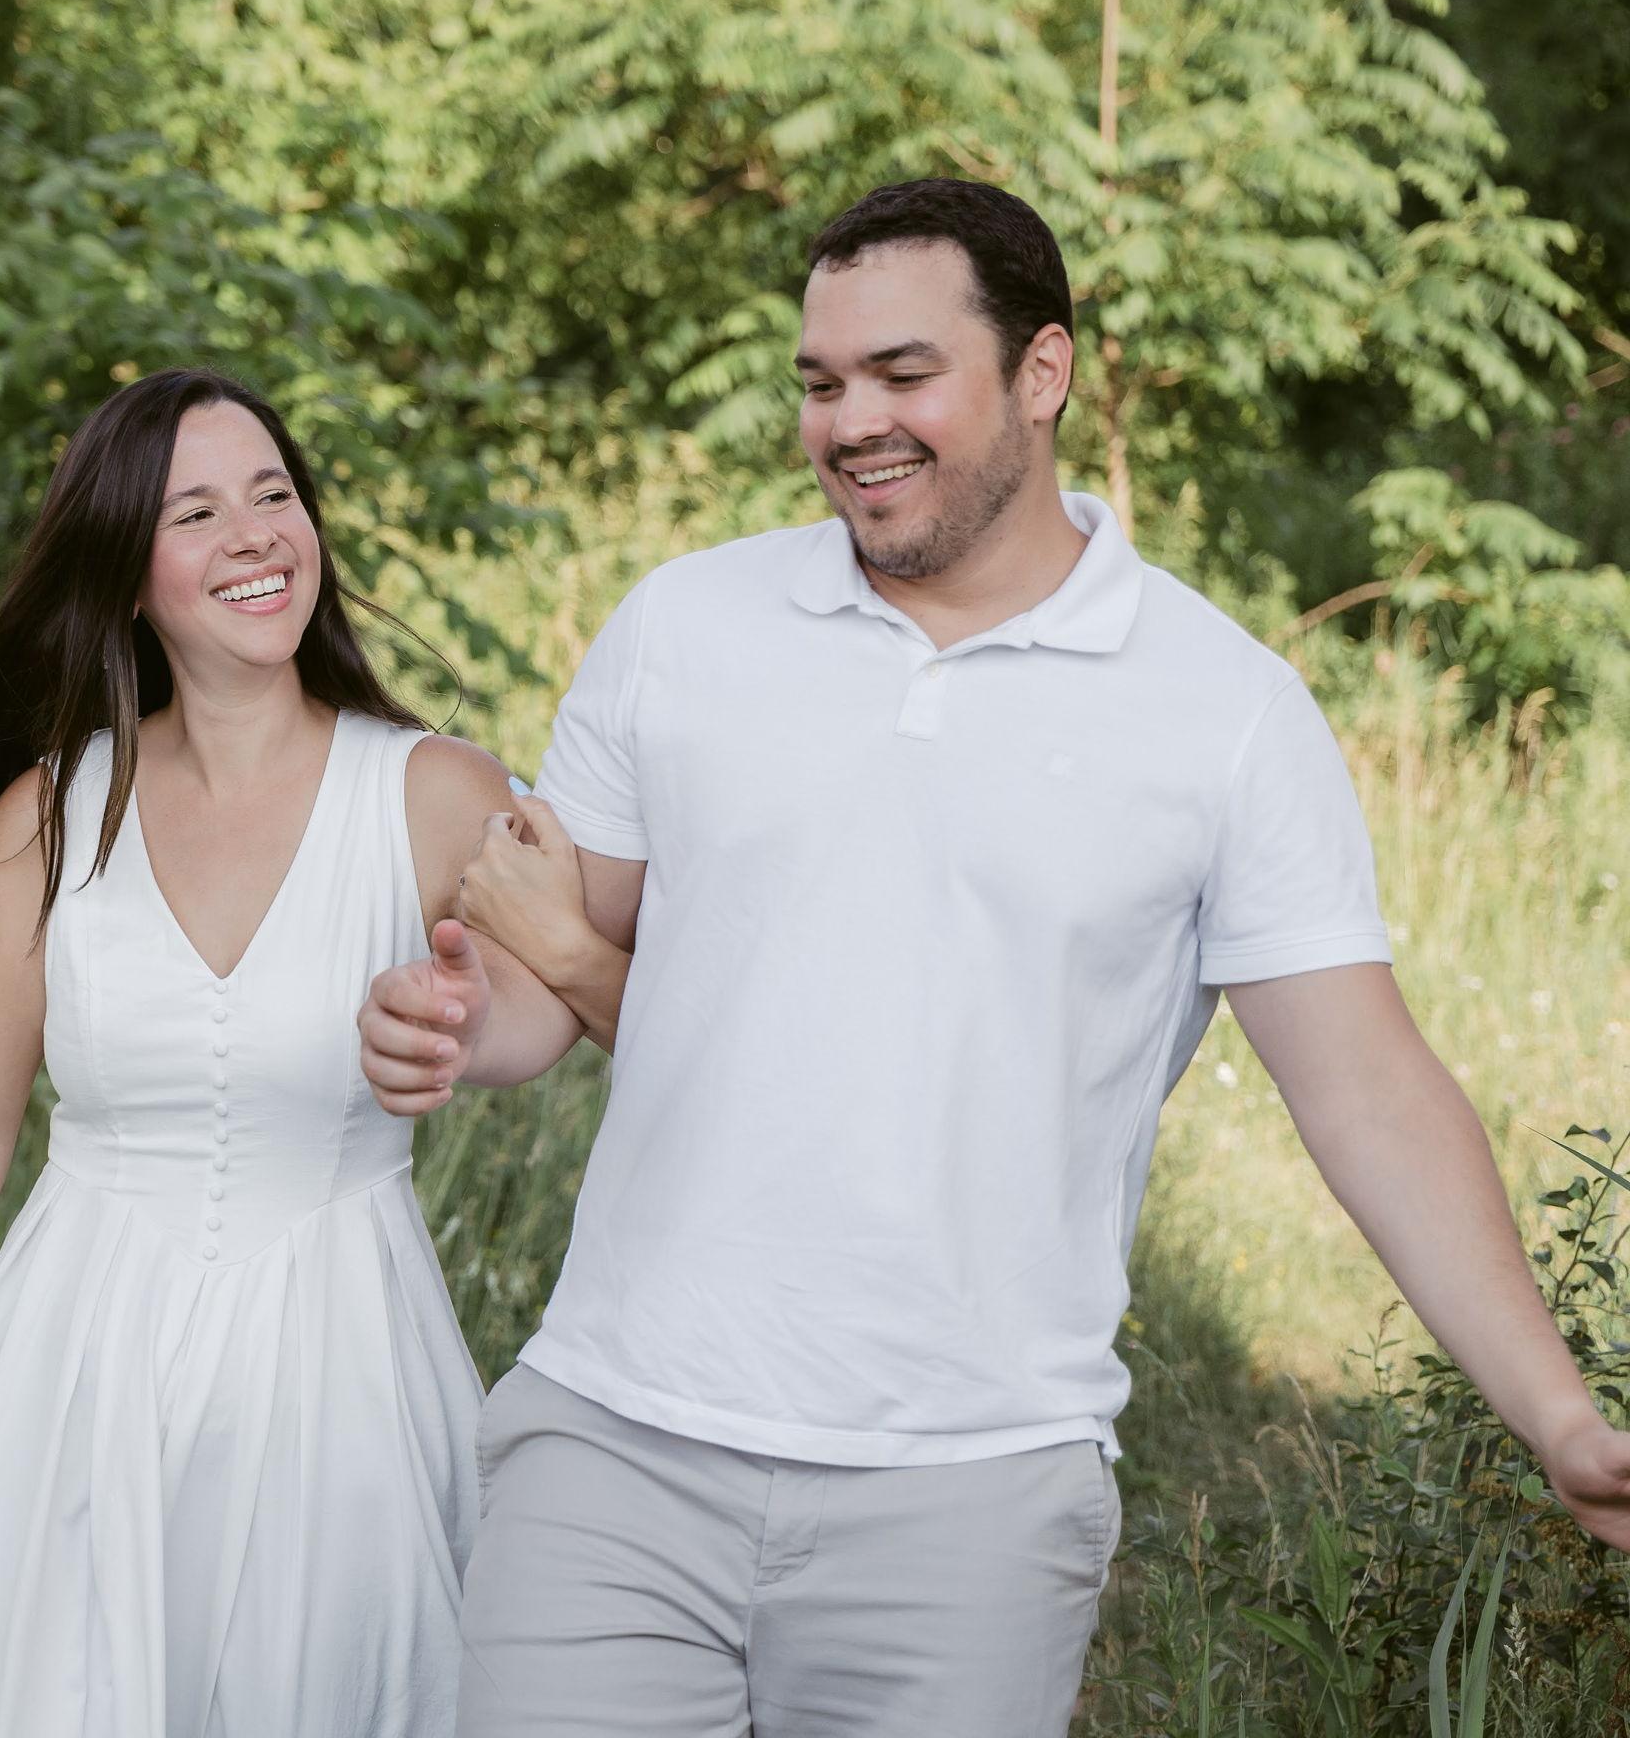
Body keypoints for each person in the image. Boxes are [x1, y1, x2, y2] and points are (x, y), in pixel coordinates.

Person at [359, 180, 1630, 1738]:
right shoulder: (686, 624)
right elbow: (547, 978)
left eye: (903, 374)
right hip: (615, 1445)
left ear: (1044, 371)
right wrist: (449, 1021)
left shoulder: (1223, 711)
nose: (851, 423)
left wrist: (1557, 1414)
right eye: (822, 383)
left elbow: (1369, 1094)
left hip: (968, 1499)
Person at [0, 367, 579, 1736]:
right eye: (196, 512)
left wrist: (468, 1030)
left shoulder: (430, 788)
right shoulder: (42, 822)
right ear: (126, 572)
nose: (254, 535)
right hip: (61, 1394)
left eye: (273, 495)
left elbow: (547, 1008)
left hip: (341, 1395)